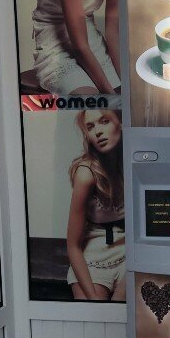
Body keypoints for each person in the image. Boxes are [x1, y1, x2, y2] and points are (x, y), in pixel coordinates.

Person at [66, 109, 125, 301]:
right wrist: (93, 299)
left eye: (105, 121)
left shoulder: (136, 163)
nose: (98, 131)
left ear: (121, 123)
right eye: (90, 127)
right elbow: (73, 246)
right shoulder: (86, 174)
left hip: (129, 255)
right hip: (92, 259)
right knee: (94, 314)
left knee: (122, 313)